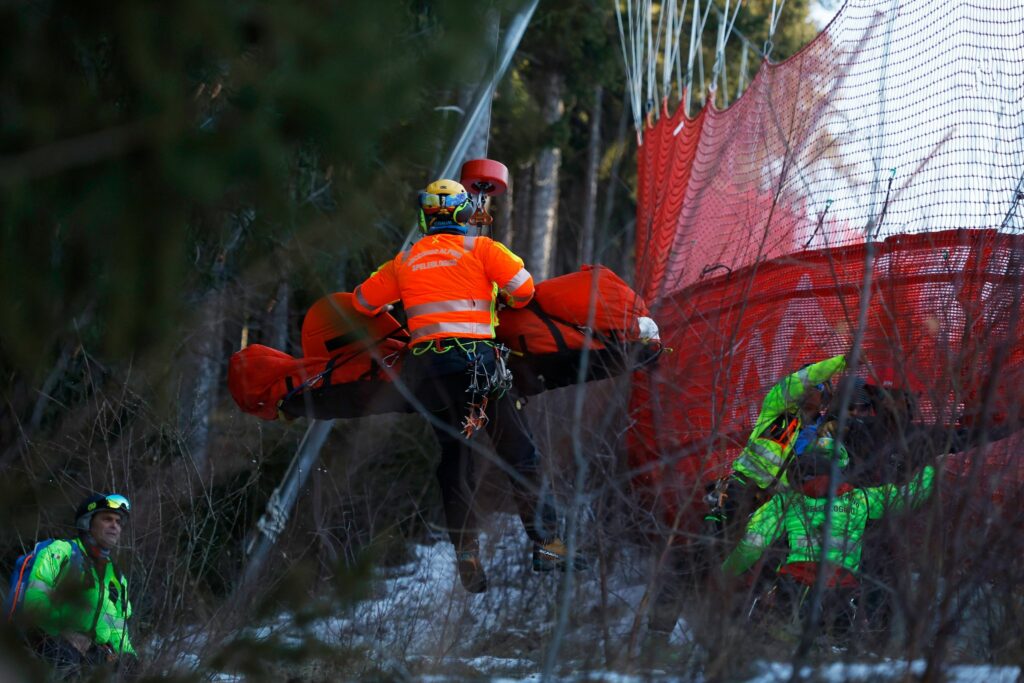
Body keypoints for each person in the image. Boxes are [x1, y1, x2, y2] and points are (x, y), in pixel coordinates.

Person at [352, 178, 579, 593]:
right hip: (479, 367)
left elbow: (362, 302)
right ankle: (547, 546)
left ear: (425, 215)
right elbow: (525, 291)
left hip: (429, 376)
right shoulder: (482, 249)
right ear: (462, 214)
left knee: (456, 460)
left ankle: (466, 554)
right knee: (520, 454)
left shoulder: (404, 261)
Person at [721, 438, 935, 638]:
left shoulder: (785, 502)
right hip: (840, 594)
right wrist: (933, 469)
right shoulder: (861, 499)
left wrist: (722, 576)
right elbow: (909, 497)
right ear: (843, 468)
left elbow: (751, 547)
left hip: (792, 590)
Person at [16, 493, 136, 679]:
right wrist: (65, 631)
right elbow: (34, 602)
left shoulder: (116, 577)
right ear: (87, 523)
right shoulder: (61, 552)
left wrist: (129, 656)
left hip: (91, 653)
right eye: (107, 519)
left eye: (119, 522)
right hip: (47, 642)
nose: (115, 526)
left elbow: (118, 628)